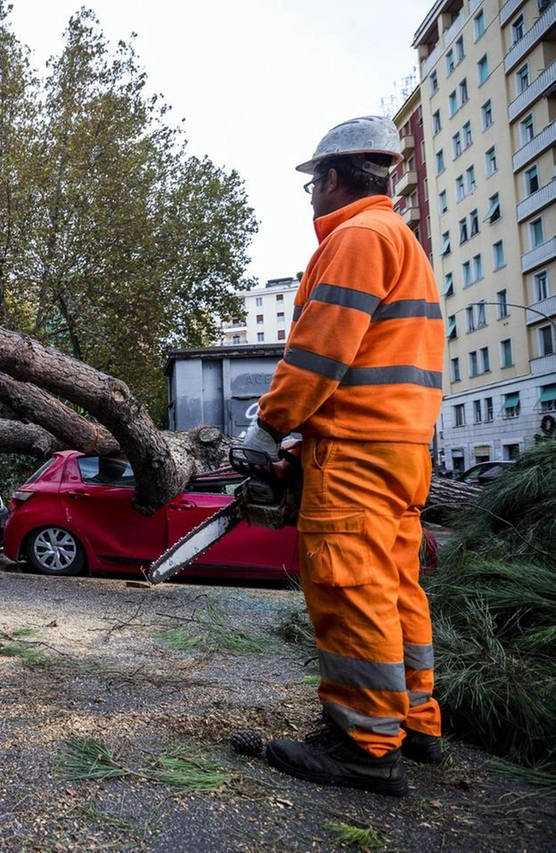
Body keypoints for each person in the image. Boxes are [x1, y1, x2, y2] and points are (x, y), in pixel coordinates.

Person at [241, 116, 445, 797]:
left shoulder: (357, 238)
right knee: (395, 587)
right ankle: (415, 718)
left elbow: (321, 351)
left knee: (350, 586)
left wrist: (271, 427)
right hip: (402, 446)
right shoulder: (402, 239)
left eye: (311, 186)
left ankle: (363, 740)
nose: (310, 200)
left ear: (333, 178)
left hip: (356, 450)